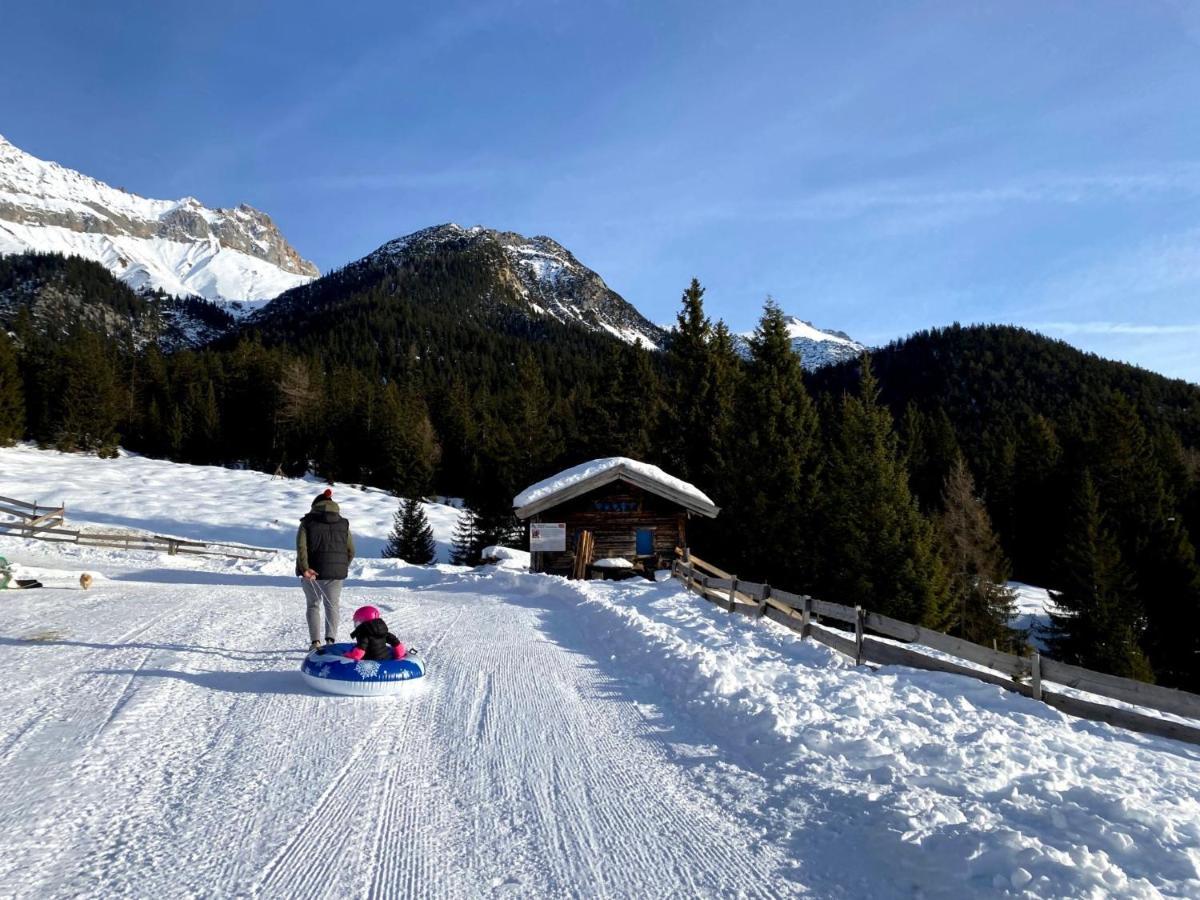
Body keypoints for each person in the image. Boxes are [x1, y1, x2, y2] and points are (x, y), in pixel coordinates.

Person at [296, 488, 355, 653]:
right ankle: (331, 641)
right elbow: (351, 550)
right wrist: (341, 566)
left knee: (313, 605)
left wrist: (305, 569)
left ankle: (315, 643)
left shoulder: (307, 522)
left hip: (312, 573)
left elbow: (301, 547)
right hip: (335, 574)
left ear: (315, 505)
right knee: (332, 606)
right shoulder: (343, 523)